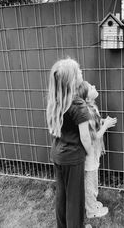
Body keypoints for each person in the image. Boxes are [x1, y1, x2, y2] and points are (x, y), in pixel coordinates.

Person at [46, 58, 92, 228]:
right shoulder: (78, 104)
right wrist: (90, 152)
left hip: (58, 155)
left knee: (62, 195)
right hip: (73, 158)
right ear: (72, 79)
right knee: (75, 198)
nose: (81, 72)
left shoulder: (56, 100)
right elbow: (85, 137)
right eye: (78, 71)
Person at [77, 81, 117, 219]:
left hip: (93, 152)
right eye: (91, 87)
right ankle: (91, 211)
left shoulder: (92, 107)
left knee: (91, 181)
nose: (94, 86)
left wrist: (103, 122)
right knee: (90, 184)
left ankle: (91, 204)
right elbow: (94, 137)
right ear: (87, 98)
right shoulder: (86, 113)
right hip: (89, 154)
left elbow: (95, 125)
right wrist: (105, 125)